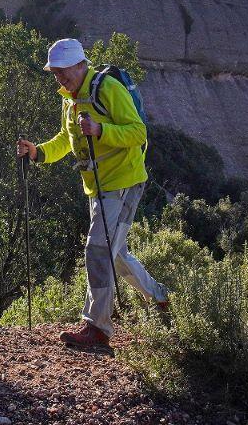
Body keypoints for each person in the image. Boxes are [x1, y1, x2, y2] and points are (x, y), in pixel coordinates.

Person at [16, 38, 169, 352]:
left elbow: (138, 131)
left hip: (124, 182)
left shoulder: (107, 88)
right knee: (115, 252)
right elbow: (66, 138)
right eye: (55, 72)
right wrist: (38, 152)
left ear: (80, 64)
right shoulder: (70, 97)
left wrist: (102, 131)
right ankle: (161, 298)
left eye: (63, 71)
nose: (59, 77)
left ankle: (97, 328)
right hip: (97, 186)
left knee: (98, 249)